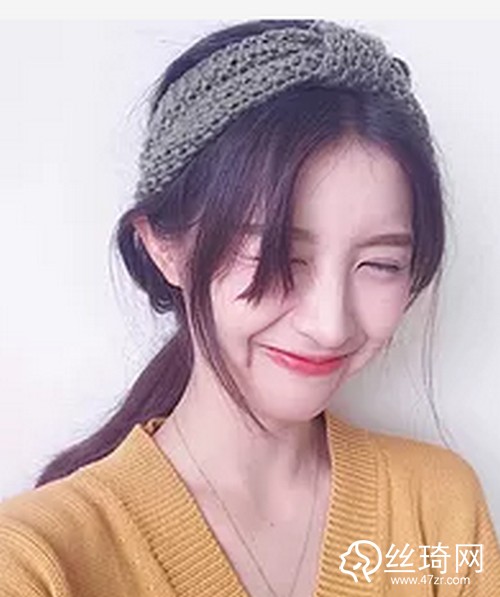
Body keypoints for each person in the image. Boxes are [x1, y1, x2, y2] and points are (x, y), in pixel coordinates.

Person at [0, 18, 499, 597]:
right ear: (165, 249)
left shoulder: (437, 512)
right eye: (277, 254)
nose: (329, 324)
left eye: (381, 264)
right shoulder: (38, 561)